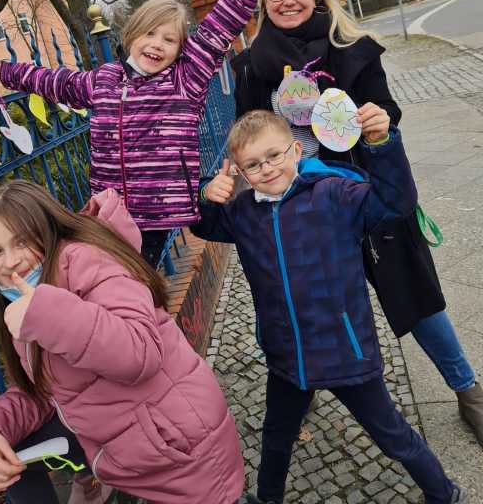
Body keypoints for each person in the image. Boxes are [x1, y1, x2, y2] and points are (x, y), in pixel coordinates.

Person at [230, 0, 483, 446]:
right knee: (299, 305)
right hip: (296, 211)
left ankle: (468, 388)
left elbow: (389, 110)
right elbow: (244, 134)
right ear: (264, 1)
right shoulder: (250, 68)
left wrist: (378, 124)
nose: (288, 0)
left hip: (364, 195)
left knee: (415, 292)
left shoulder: (355, 49)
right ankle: (298, 389)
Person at [194, 109, 468, 504]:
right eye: (253, 164)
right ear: (239, 170)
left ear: (295, 149)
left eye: (274, 155)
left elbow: (395, 202)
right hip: (288, 355)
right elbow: (201, 224)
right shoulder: (242, 214)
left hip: (345, 351)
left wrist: (381, 144)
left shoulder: (334, 195)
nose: (267, 169)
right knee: (276, 436)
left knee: (391, 434)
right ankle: (268, 498)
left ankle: (443, 493)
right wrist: (207, 193)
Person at [0, 0, 279, 268]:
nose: (156, 45)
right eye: (149, 34)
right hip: (108, 211)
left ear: (180, 50)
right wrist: (4, 70)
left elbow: (221, 24)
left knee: (136, 284)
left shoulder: (184, 79)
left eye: (169, 40)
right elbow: (56, 82)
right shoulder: (105, 79)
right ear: (131, 35)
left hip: (155, 214)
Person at [0, 181, 245, 504]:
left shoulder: (86, 260)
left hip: (181, 455)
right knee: (11, 451)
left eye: (22, 242)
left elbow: (140, 352)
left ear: (49, 231)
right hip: (125, 450)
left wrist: (46, 314)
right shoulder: (26, 303)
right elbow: (48, 391)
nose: (10, 261)